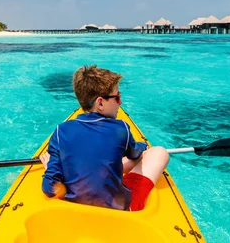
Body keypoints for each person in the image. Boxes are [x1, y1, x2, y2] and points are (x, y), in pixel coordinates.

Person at [40, 65, 169, 211]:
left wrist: (50, 168)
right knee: (159, 152)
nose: (120, 103)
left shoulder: (60, 131)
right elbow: (135, 154)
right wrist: (143, 147)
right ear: (100, 103)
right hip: (119, 209)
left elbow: (49, 188)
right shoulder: (121, 129)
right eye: (117, 97)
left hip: (75, 209)